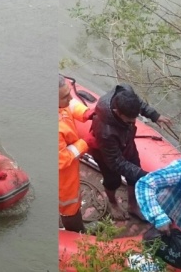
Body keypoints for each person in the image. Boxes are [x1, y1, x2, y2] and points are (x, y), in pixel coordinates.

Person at [85, 84, 172, 221]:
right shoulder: (105, 130)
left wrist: (154, 115)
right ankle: (113, 203)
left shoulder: (126, 91)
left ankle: (133, 206)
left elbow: (139, 104)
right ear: (117, 111)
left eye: (134, 118)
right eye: (129, 120)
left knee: (135, 175)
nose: (132, 122)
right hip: (105, 153)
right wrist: (144, 174)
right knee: (113, 180)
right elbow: (116, 162)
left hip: (127, 143)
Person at [59, 75, 94, 233]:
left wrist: (86, 113)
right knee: (69, 205)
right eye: (65, 96)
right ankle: (76, 233)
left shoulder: (61, 103)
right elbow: (60, 159)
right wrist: (84, 143)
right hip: (62, 174)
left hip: (70, 164)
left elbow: (70, 104)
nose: (70, 98)